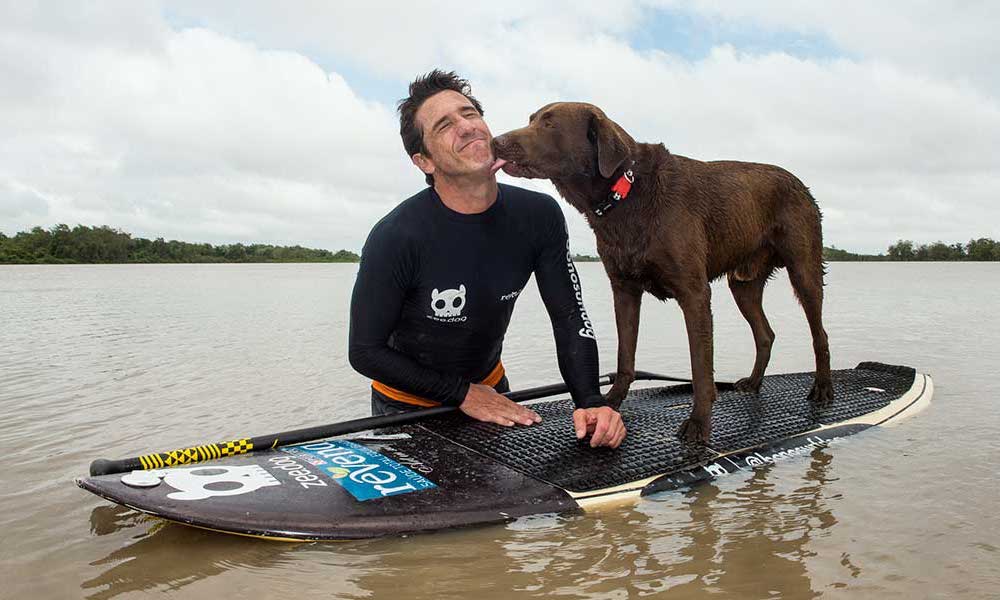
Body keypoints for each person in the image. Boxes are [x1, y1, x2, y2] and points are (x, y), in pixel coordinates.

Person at [348, 70, 625, 448]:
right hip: (406, 407)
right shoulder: (396, 236)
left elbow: (568, 317)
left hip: (492, 393)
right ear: (424, 161)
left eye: (470, 114)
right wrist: (463, 394)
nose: (466, 127)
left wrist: (591, 401)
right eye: (445, 125)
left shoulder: (538, 216)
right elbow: (365, 352)